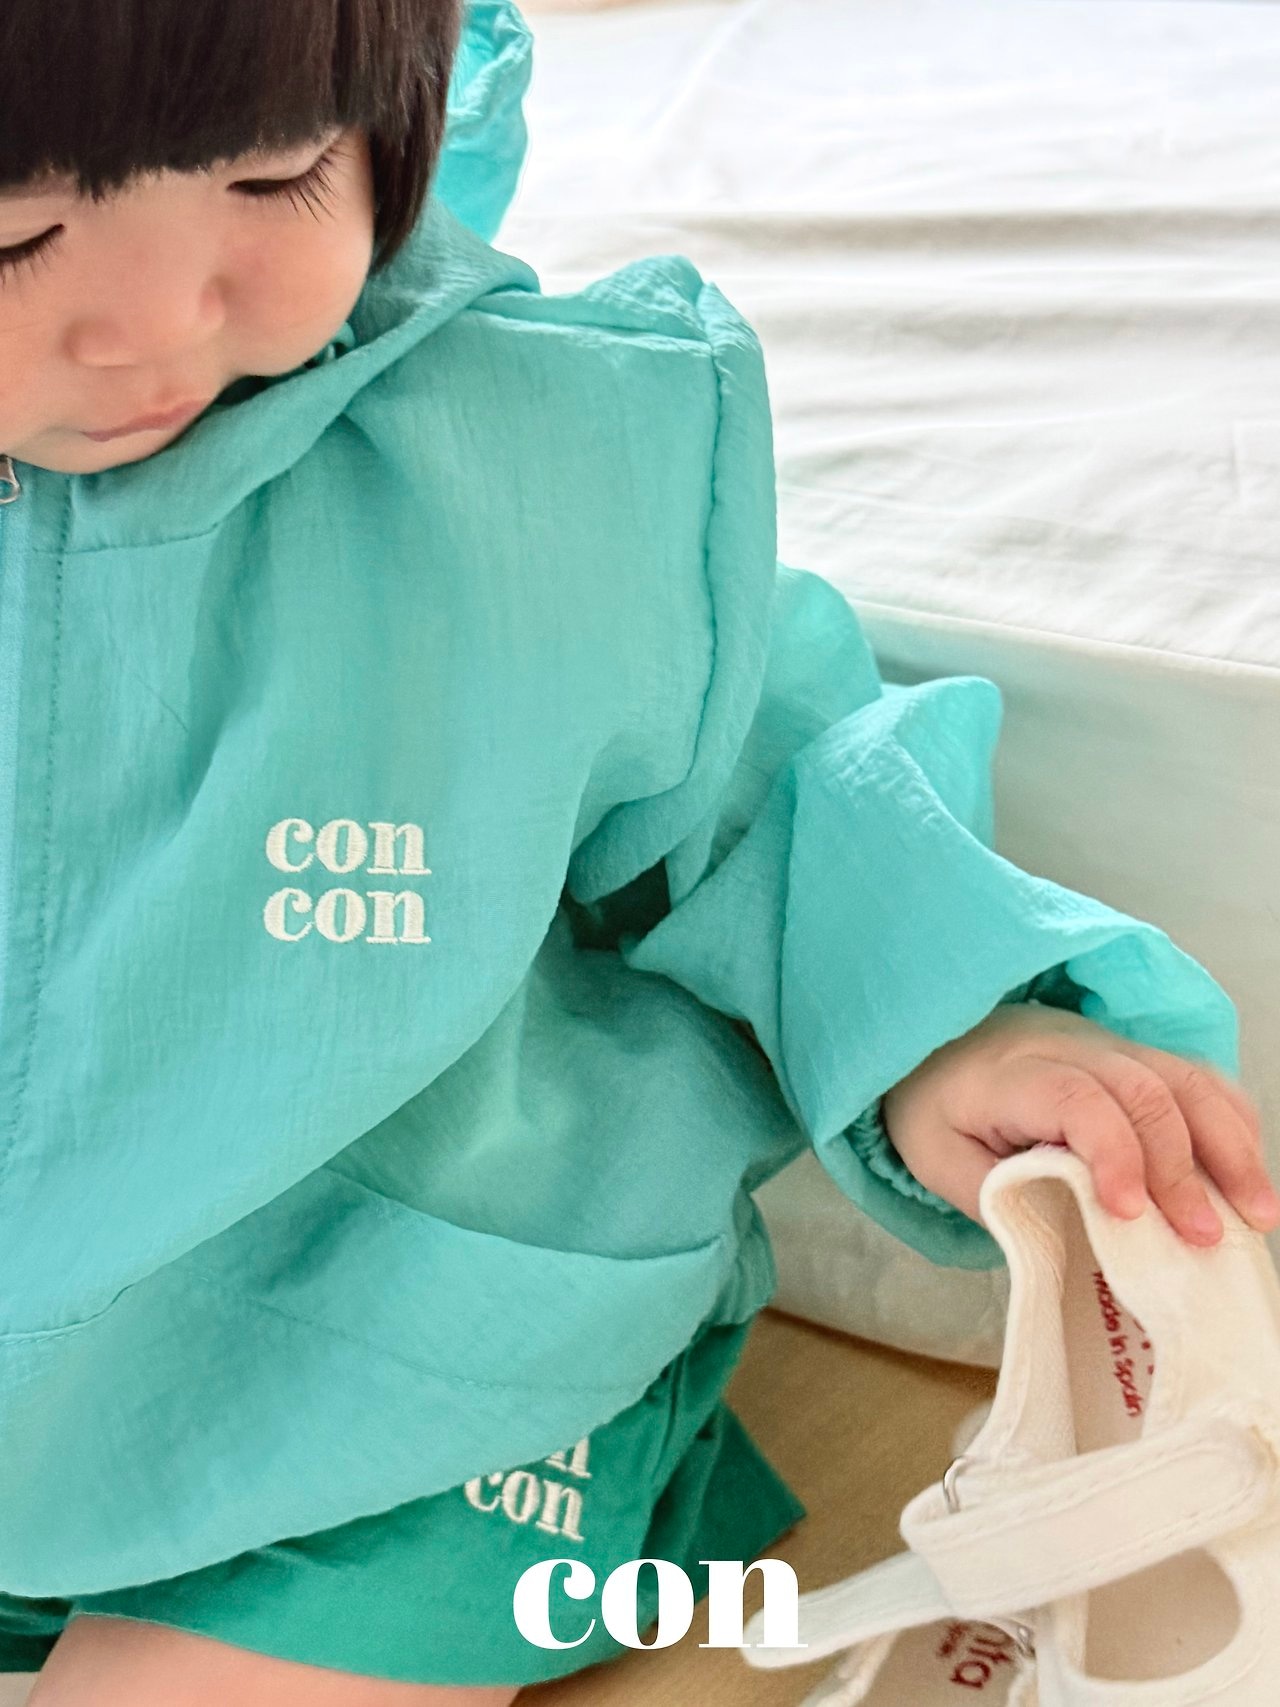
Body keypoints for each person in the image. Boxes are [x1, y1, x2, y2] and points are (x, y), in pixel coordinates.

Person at [0, 2, 1275, 1703]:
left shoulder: (547, 451)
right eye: (16, 237)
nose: (163, 318)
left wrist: (950, 1029)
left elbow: (762, 777)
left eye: (275, 176)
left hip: (408, 1361)